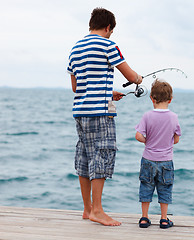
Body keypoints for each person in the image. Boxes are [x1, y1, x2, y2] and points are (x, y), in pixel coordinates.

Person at [67, 7, 142, 226]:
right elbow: (130, 75)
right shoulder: (108, 45)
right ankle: (98, 211)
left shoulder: (75, 48)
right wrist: (138, 78)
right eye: (111, 31)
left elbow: (77, 86)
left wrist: (108, 91)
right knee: (101, 154)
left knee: (85, 156)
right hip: (100, 112)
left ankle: (87, 209)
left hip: (80, 112)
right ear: (108, 27)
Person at [135, 79, 181, 229]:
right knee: (165, 188)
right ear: (170, 99)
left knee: (146, 187)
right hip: (166, 161)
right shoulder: (174, 117)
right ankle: (163, 219)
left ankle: (144, 218)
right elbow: (176, 139)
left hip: (148, 159)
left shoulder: (147, 116)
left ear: (152, 98)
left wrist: (148, 141)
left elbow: (138, 135)